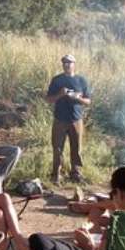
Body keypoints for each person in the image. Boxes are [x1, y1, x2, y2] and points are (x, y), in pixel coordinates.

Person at [45, 54, 91, 184]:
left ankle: (76, 174)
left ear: (74, 64)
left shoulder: (81, 80)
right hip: (60, 119)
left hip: (76, 119)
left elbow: (88, 101)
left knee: (76, 148)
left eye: (69, 62)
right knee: (57, 148)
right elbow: (48, 99)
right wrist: (60, 94)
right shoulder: (57, 80)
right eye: (64, 62)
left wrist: (77, 98)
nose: (66, 65)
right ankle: (56, 175)